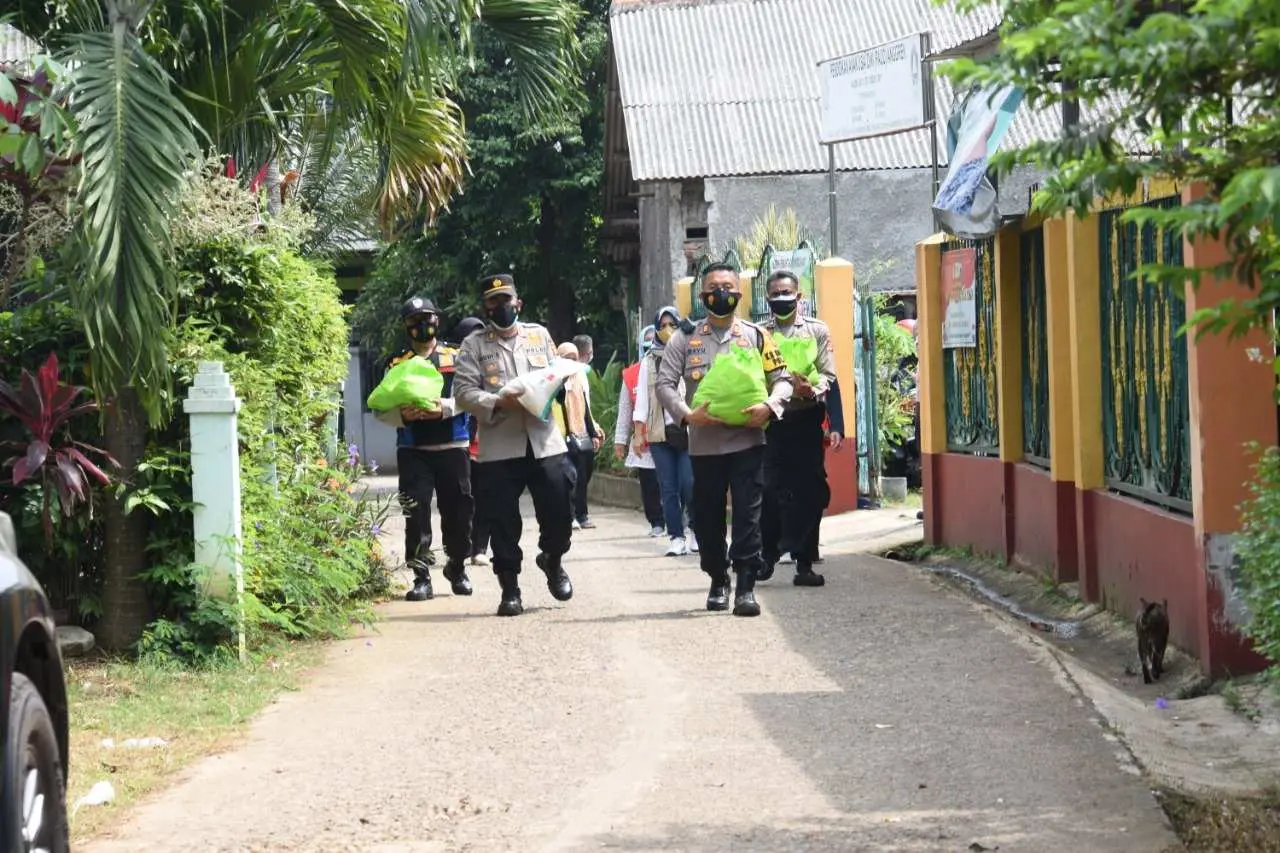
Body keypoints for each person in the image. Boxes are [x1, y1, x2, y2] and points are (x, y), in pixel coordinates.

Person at [656, 263, 792, 616]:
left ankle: (746, 585)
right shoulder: (685, 339)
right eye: (714, 287)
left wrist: (770, 404)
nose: (721, 293)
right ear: (702, 296)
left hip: (748, 440)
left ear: (739, 294)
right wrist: (687, 415)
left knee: (748, 513)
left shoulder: (757, 336)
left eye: (728, 286)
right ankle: (718, 578)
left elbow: (783, 378)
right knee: (707, 516)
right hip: (704, 444)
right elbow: (665, 384)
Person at [453, 273, 575, 617]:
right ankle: (510, 588)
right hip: (500, 445)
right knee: (502, 520)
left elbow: (556, 374)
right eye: (494, 301)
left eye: (506, 299)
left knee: (560, 511)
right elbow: (463, 393)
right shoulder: (473, 346)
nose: (501, 306)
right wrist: (496, 402)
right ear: (485, 306)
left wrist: (554, 387)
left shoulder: (539, 335)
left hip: (544, 440)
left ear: (518, 302)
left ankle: (552, 558)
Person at [376, 296, 474, 601]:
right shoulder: (396, 364)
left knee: (459, 513)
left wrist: (443, 408)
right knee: (415, 515)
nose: (422, 325)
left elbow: (471, 394)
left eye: (428, 318)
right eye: (415, 321)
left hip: (452, 445)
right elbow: (381, 406)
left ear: (437, 321)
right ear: (406, 327)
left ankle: (457, 567)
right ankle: (421, 577)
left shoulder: (455, 357)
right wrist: (401, 415)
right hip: (413, 449)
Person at [758, 271, 838, 587]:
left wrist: (811, 389)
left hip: (806, 420)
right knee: (767, 489)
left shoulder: (817, 331)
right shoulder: (758, 334)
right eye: (776, 294)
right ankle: (768, 554)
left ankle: (804, 563)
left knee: (810, 491)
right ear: (767, 299)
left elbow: (829, 376)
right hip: (771, 423)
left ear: (799, 296)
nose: (782, 298)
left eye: (787, 292)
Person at [635, 306, 698, 557]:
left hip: (688, 431)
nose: (667, 329)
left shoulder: (691, 353)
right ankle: (676, 537)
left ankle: (695, 530)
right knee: (668, 488)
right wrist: (639, 433)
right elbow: (641, 403)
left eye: (672, 323)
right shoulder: (648, 362)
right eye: (662, 325)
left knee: (690, 483)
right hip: (660, 434)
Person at [616, 326, 666, 536]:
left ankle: (681, 522)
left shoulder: (675, 365)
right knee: (649, 483)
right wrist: (621, 440)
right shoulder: (632, 374)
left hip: (672, 436)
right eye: (645, 345)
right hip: (644, 441)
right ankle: (656, 522)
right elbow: (625, 410)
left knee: (676, 483)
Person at [452, 316, 491, 567]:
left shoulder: (489, 366)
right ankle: (463, 545)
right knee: (464, 499)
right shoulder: (449, 369)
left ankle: (480, 548)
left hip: (486, 443)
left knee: (486, 498)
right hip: (460, 444)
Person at [554, 341, 604, 530]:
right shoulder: (554, 378)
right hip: (560, 436)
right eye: (567, 358)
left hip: (581, 432)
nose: (572, 362)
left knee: (583, 476)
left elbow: (585, 406)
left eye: (575, 358)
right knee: (569, 477)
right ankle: (570, 516)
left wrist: (593, 432)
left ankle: (582, 515)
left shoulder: (580, 376)